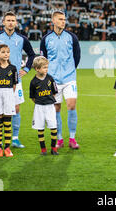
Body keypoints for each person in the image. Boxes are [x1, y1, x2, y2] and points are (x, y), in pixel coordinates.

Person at [0, 11, 36, 149]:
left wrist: (27, 69)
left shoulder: (22, 39)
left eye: (13, 20)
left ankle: (15, 138)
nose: (11, 22)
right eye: (8, 20)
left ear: (16, 23)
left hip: (15, 80)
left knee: (15, 109)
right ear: (3, 22)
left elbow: (32, 54)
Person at [40, 11, 81, 149]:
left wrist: (71, 69)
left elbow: (77, 56)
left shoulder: (72, 37)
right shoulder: (46, 39)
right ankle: (59, 139)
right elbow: (43, 59)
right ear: (53, 21)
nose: (63, 22)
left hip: (69, 78)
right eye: (60, 19)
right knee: (56, 108)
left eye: (64, 19)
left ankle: (72, 139)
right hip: (53, 80)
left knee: (71, 105)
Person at [0, 44, 18, 157]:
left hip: (9, 93)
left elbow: (14, 85)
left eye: (7, 52)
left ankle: (7, 147)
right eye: (3, 52)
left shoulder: (13, 68)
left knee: (7, 121)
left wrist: (8, 94)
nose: (6, 54)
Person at [29, 56, 59, 156]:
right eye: (44, 67)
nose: (46, 69)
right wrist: (40, 101)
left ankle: (54, 148)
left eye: (47, 67)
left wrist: (48, 100)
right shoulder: (33, 82)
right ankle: (43, 150)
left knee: (53, 127)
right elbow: (32, 97)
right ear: (37, 69)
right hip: (39, 107)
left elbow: (54, 92)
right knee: (40, 128)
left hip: (50, 107)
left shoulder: (50, 79)